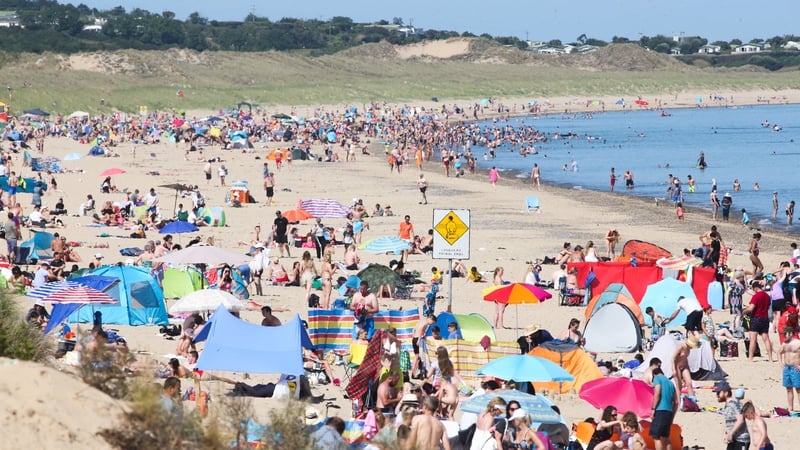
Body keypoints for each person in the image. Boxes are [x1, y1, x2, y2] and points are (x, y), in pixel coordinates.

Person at [743, 278, 774, 362]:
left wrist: (743, 312)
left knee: (753, 339)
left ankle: (750, 358)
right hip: (765, 318)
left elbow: (751, 308)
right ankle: (770, 358)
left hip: (756, 318)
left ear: (755, 288)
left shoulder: (756, 296)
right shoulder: (767, 296)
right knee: (766, 339)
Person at [716, 380, 750, 450]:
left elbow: (740, 420)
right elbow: (729, 422)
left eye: (718, 392)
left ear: (726, 393)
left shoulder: (734, 403)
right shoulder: (728, 405)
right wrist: (725, 433)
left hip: (741, 440)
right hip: (733, 440)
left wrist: (731, 433)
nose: (717, 395)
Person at [650, 367, 678, 450]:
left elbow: (657, 392)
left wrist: (653, 409)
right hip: (669, 411)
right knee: (665, 437)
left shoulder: (657, 379)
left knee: (656, 437)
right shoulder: (670, 383)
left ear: (654, 374)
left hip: (660, 410)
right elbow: (676, 402)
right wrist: (672, 415)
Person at [779, 326, 800, 411]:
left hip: (795, 368)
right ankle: (791, 408)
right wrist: (780, 363)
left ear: (791, 334)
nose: (784, 336)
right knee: (788, 389)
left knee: (798, 389)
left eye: (786, 334)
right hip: (787, 368)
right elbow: (779, 352)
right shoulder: (784, 344)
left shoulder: (798, 343)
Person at [411, 314, 436, 379]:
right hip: (418, 339)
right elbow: (422, 331)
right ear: (430, 319)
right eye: (432, 323)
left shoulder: (421, 320)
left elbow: (414, 329)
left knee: (416, 355)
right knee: (418, 356)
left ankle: (415, 372)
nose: (431, 324)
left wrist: (413, 336)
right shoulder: (426, 323)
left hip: (414, 338)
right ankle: (413, 372)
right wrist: (419, 339)